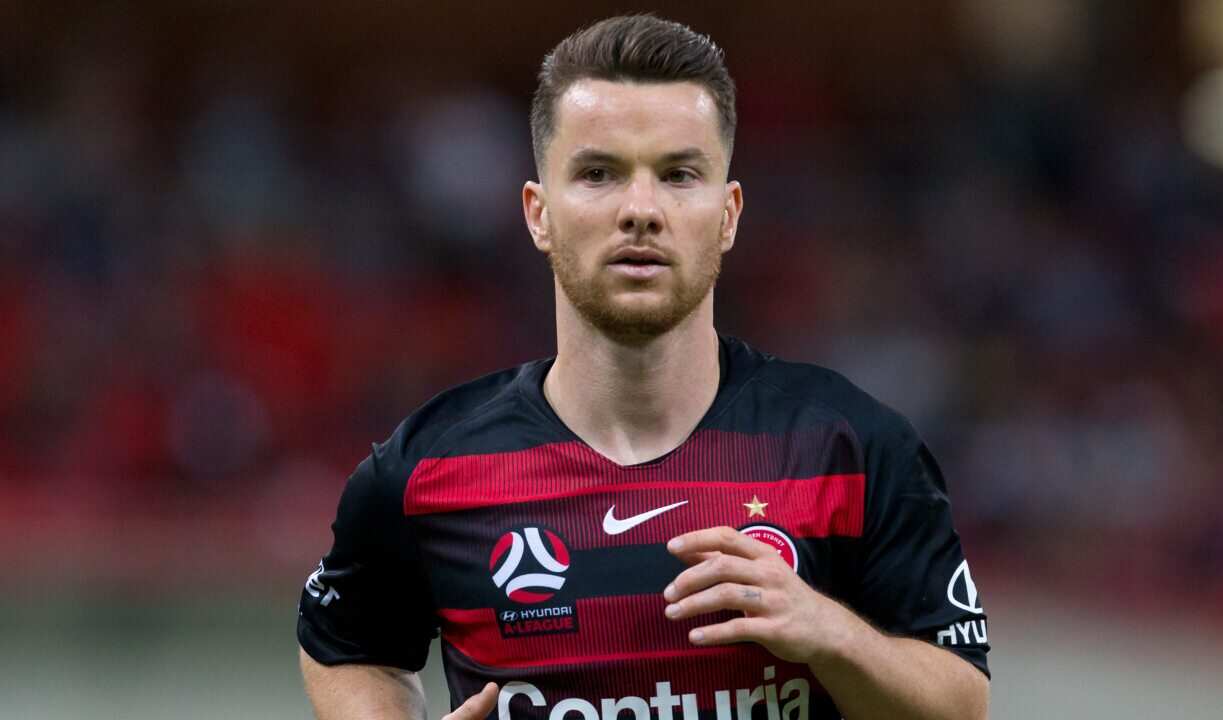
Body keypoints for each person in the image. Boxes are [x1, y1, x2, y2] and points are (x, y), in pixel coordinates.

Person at [298, 14, 990, 720]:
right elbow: (347, 644)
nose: (641, 210)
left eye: (679, 175)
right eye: (598, 173)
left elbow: (963, 703)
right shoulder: (426, 470)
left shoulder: (852, 450)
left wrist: (833, 634)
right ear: (539, 213)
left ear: (728, 214)